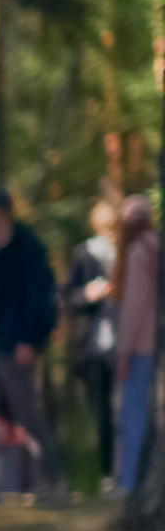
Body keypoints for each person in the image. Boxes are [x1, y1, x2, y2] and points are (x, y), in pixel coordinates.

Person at [0, 188, 60, 490]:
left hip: (16, 345)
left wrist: (28, 340)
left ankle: (51, 478)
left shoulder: (28, 250)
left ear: (0, 214)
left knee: (27, 414)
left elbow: (39, 298)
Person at [64, 200, 119, 486]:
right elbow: (68, 298)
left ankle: (123, 471)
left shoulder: (126, 253)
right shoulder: (85, 255)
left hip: (123, 345)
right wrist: (88, 295)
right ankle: (106, 473)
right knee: (101, 414)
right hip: (93, 348)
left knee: (122, 410)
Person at [115, 196, 156, 497]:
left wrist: (124, 351)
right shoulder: (159, 248)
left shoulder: (138, 253)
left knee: (133, 415)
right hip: (158, 347)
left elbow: (134, 305)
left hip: (141, 348)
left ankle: (130, 481)